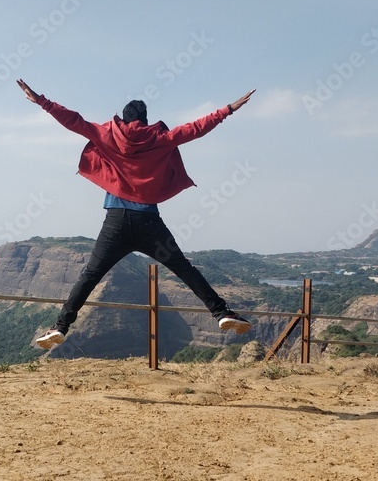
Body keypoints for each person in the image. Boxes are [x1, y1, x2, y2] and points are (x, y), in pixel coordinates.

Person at [16, 78, 255, 350]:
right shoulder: (160, 139)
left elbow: (74, 120)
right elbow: (196, 128)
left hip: (116, 221)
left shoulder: (108, 135)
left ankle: (60, 326)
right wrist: (228, 109)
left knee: (90, 275)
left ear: (123, 117)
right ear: (145, 119)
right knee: (183, 269)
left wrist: (42, 101)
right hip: (149, 222)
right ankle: (221, 312)